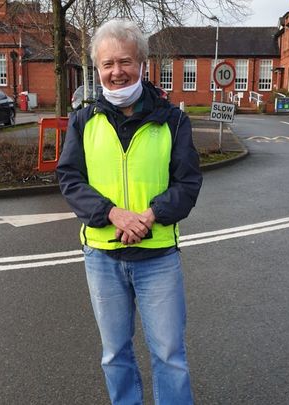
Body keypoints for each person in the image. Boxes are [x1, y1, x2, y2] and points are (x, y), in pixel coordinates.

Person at [57, 19, 202, 405]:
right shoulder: (83, 121)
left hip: (157, 257)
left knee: (170, 356)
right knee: (114, 355)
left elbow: (187, 185)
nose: (116, 72)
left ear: (142, 64)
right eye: (107, 64)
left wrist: (149, 216)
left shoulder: (173, 121)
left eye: (125, 61)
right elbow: (70, 180)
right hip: (102, 257)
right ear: (97, 69)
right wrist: (114, 214)